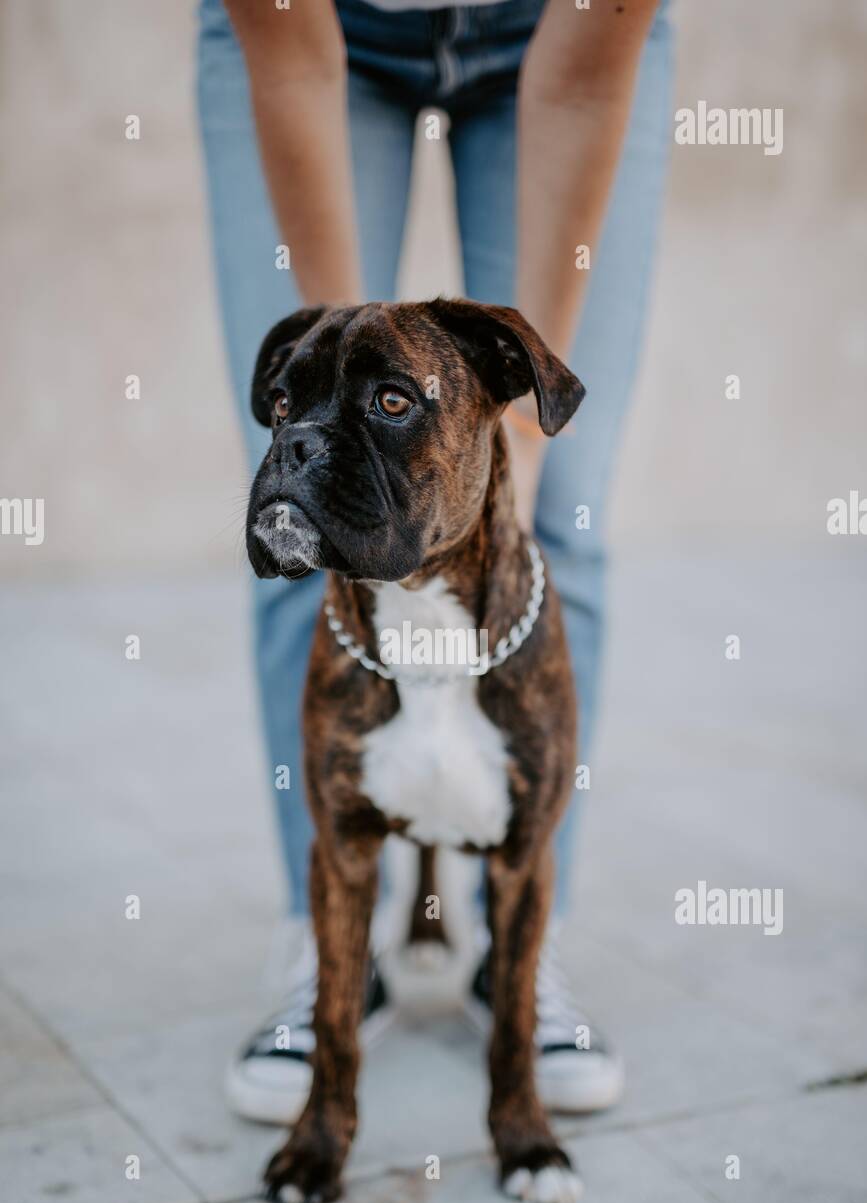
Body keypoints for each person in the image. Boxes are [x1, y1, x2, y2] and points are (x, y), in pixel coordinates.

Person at [197, 0, 673, 1124]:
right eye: (285, 408)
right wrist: (338, 388)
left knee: (566, 521)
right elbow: (292, 58)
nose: (295, 431)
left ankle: (521, 941)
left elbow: (585, 79)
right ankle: (326, 952)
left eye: (395, 403)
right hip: (310, 42)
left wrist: (514, 436)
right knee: (328, 547)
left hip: (563, 48)